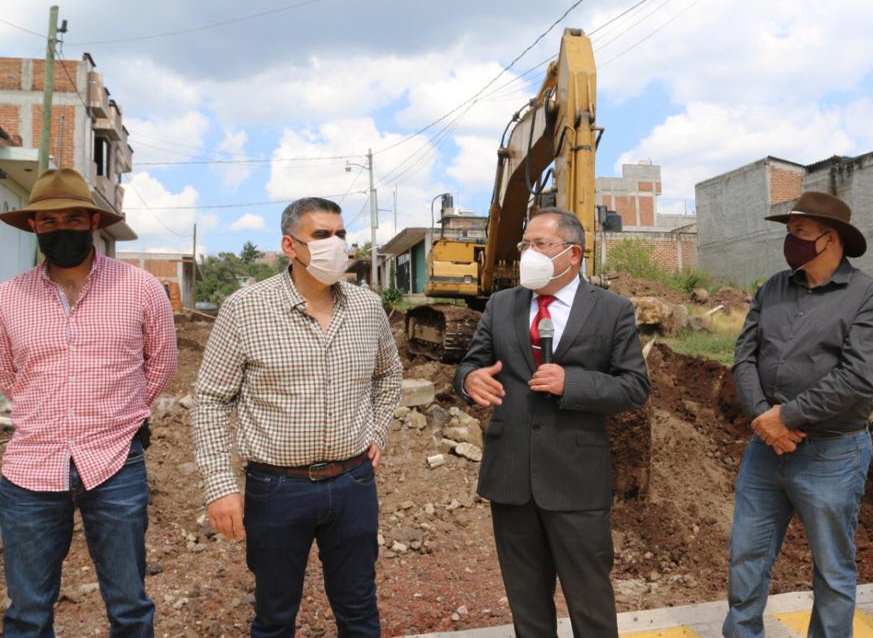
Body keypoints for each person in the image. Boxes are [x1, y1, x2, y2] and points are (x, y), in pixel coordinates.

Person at [191, 197, 402, 637]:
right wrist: (220, 486)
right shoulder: (245, 309)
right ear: (290, 245)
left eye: (341, 235)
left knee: (359, 609)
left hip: (353, 483)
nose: (336, 245)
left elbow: (389, 374)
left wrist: (378, 430)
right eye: (321, 235)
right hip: (276, 488)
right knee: (274, 614)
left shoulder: (366, 307)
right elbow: (211, 398)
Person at [454, 207, 650, 637]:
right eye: (525, 244)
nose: (527, 252)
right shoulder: (501, 304)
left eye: (539, 244)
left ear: (573, 254)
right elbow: (470, 364)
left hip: (576, 480)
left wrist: (572, 383)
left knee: (590, 601)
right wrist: (470, 380)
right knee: (527, 604)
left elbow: (635, 387)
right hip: (510, 479)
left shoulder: (612, 310)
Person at [0, 168, 177, 637]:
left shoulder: (140, 289)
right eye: (49, 220)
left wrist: (118, 414)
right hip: (30, 470)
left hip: (116, 463)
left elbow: (160, 366)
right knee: (26, 611)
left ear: (93, 222)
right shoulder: (8, 299)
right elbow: (7, 375)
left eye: (74, 218)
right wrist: (47, 411)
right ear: (34, 227)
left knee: (129, 604)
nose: (62, 228)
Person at [725, 191, 873, 637]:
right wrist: (764, 418)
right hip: (765, 450)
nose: (790, 240)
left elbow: (859, 378)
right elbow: (744, 357)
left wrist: (788, 417)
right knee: (746, 556)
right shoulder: (774, 288)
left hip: (832, 454)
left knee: (832, 569)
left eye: (799, 232)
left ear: (829, 239)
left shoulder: (869, 297)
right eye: (789, 232)